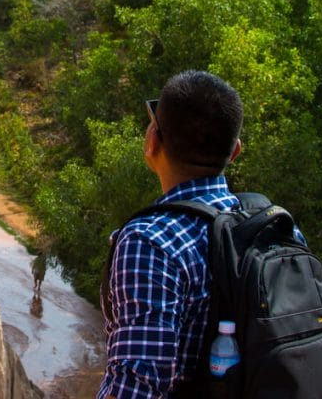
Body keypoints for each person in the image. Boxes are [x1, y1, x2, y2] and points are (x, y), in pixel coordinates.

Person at [98, 70, 248, 398]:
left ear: (152, 140)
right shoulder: (277, 228)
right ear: (234, 151)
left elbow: (137, 385)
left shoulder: (150, 242)